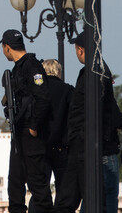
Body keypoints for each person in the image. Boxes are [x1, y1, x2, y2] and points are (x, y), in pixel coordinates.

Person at [53, 30, 122, 213]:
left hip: (90, 148)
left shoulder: (91, 73)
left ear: (81, 50)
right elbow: (110, 112)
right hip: (91, 147)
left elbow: (100, 112)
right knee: (98, 201)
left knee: (90, 201)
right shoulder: (100, 72)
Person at [0, 29, 53, 213]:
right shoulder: (19, 68)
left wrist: (34, 127)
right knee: (15, 184)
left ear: (7, 47)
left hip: (30, 135)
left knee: (38, 185)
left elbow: (43, 97)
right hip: (19, 133)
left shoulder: (32, 66)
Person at [41, 58, 73, 190]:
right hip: (61, 145)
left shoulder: (39, 90)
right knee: (64, 189)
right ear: (58, 71)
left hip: (42, 144)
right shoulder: (67, 90)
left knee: (41, 190)